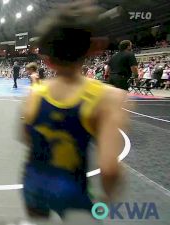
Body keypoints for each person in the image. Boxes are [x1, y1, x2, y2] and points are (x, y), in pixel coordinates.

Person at [21, 0, 128, 220]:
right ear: (93, 48)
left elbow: (25, 137)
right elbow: (109, 169)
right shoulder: (108, 98)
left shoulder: (35, 93)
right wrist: (107, 200)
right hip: (72, 190)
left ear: (48, 60)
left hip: (33, 186)